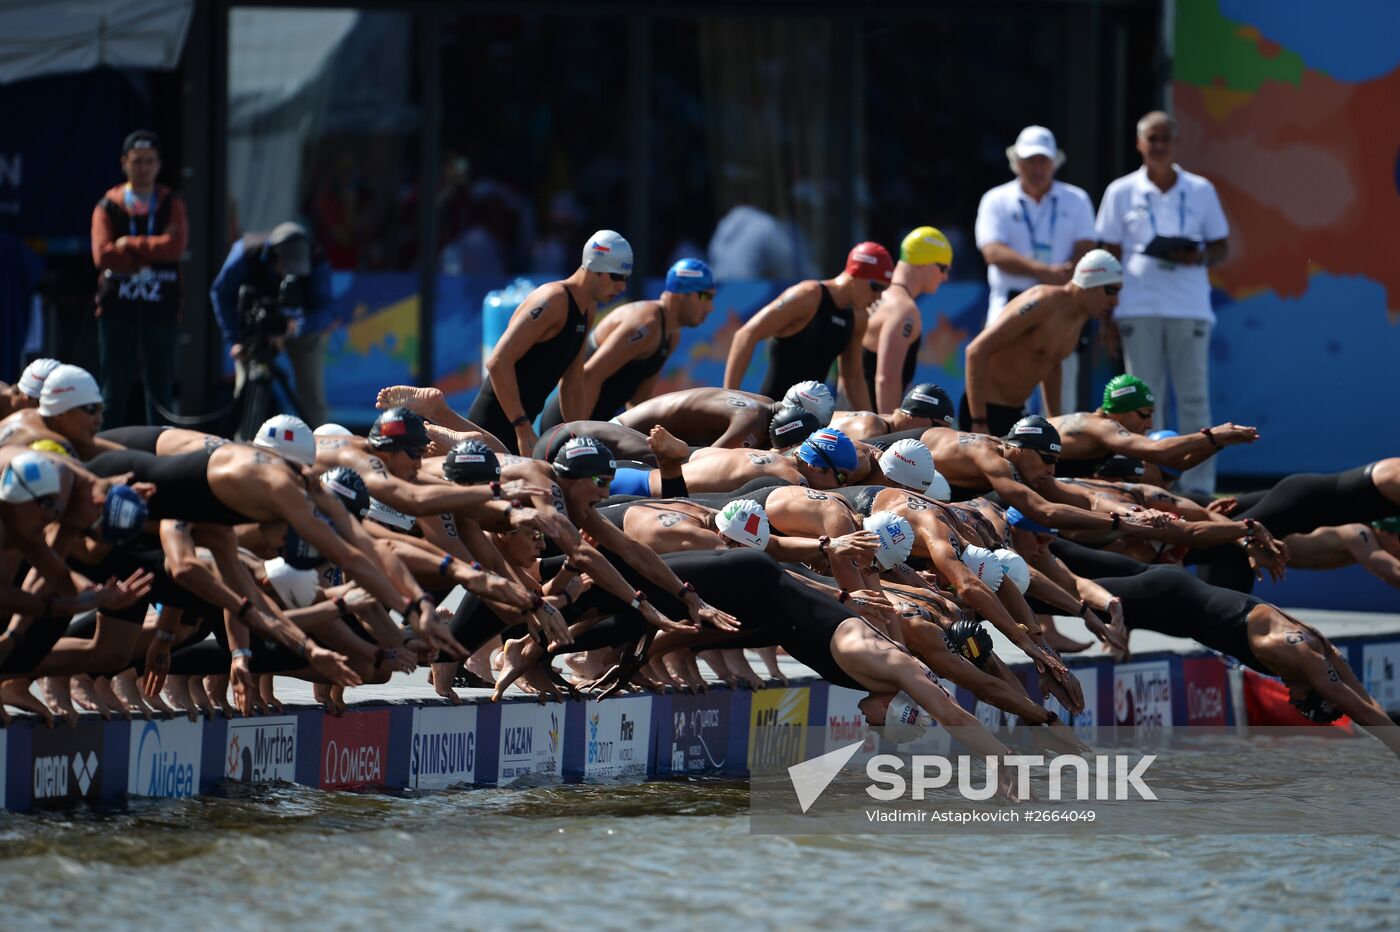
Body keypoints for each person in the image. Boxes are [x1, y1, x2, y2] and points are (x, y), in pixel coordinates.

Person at [1096, 110, 1230, 495]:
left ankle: (1199, 484)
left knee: (1193, 397)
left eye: (1163, 139)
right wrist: (1108, 313)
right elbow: (1110, 253)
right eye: (1150, 139)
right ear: (1139, 144)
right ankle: (1151, 480)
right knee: (1142, 401)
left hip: (1188, 306)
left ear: (1175, 143)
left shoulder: (1200, 189)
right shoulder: (1121, 191)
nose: (1157, 146)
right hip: (1138, 306)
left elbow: (1221, 245)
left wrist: (1198, 255)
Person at [468, 231, 632, 453]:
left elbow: (572, 381)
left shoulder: (587, 309)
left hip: (520, 426)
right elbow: (498, 362)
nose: (622, 287)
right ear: (593, 267)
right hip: (492, 426)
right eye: (616, 277)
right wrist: (522, 427)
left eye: (625, 278)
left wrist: (580, 435)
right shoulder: (553, 300)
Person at [974, 126, 1097, 414]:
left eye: (1044, 160)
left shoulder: (1076, 199)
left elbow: (1087, 247)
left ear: (1055, 162)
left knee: (1062, 403)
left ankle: (1060, 456)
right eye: (1031, 160)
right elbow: (992, 251)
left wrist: (1064, 271)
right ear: (1016, 162)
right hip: (1010, 303)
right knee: (1005, 396)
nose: (1038, 167)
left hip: (1062, 306)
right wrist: (1046, 271)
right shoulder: (996, 199)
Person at [539, 258, 714, 430]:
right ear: (681, 294)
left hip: (594, 425)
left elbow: (639, 401)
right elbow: (590, 376)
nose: (710, 307)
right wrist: (579, 435)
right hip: (566, 423)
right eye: (705, 296)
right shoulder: (645, 323)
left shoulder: (671, 336)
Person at [961, 250, 1122, 436]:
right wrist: (978, 420)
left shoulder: (1079, 316)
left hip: (1016, 412)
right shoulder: (1041, 302)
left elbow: (1052, 362)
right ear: (1089, 284)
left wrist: (1055, 419)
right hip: (985, 413)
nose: (1115, 301)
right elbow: (975, 351)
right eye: (1111, 291)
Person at [90, 130, 188, 429]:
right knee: (113, 389)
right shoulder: (109, 204)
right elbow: (103, 256)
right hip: (118, 308)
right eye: (137, 161)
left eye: (149, 161)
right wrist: (152, 249)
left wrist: (129, 245)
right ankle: (106, 452)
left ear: (158, 164)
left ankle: (162, 457)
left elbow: (175, 247)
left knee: (160, 389)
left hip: (161, 308)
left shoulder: (171, 202)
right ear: (125, 163)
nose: (143, 168)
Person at [724, 242, 892, 409]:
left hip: (812, 419)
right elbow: (745, 335)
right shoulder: (808, 296)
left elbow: (853, 378)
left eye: (883, 290)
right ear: (856, 273)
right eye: (876, 287)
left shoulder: (858, 318)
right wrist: (728, 401)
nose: (878, 296)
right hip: (773, 413)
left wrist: (871, 420)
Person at [210, 221, 335, 427]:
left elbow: (327, 310)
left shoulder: (317, 258)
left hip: (298, 328)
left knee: (312, 393)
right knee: (246, 388)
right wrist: (234, 339)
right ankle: (243, 445)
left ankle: (321, 446)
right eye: (284, 269)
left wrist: (296, 327)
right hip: (254, 330)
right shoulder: (246, 252)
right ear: (272, 257)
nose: (289, 275)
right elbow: (220, 292)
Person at [1050, 373, 1259, 478]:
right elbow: (1160, 452)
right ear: (1120, 411)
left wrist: (1218, 443)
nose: (1149, 424)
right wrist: (1212, 434)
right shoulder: (1100, 426)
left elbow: (1175, 464)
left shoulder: (1105, 428)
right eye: (1144, 415)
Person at [860, 227, 951, 413]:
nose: (945, 277)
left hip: (850, 417)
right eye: (942, 268)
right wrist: (890, 435)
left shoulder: (874, 298)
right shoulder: (904, 310)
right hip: (870, 428)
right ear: (923, 263)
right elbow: (887, 380)